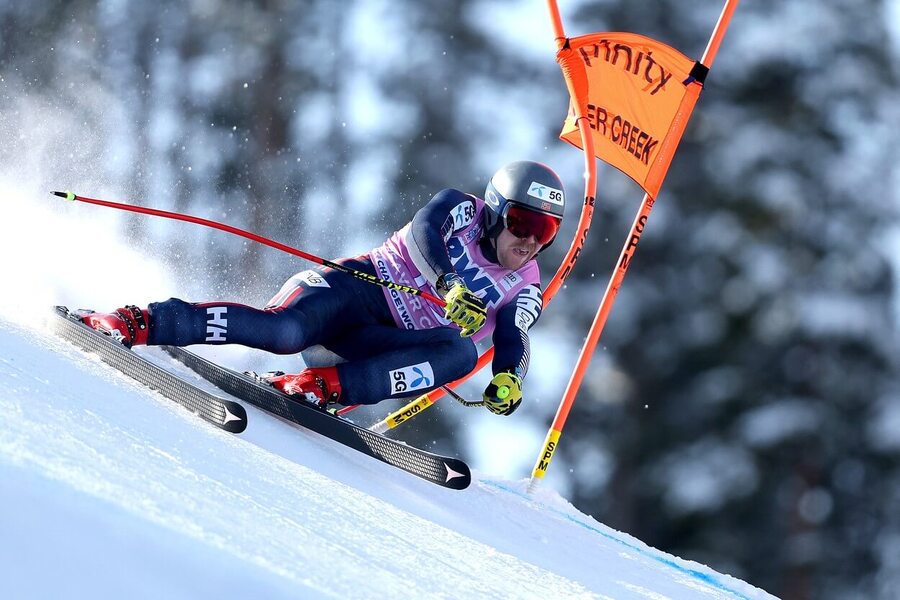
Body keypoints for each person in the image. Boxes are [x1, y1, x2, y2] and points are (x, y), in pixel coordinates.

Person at [81, 160, 566, 416]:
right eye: (522, 222)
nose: (528, 240)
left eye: (544, 232)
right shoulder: (462, 209)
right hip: (353, 292)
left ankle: (322, 387)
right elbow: (425, 229)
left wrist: (509, 378)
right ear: (497, 210)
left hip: (375, 343)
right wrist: (449, 282)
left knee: (460, 355)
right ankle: (139, 321)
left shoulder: (524, 284)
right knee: (283, 333)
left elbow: (514, 335)